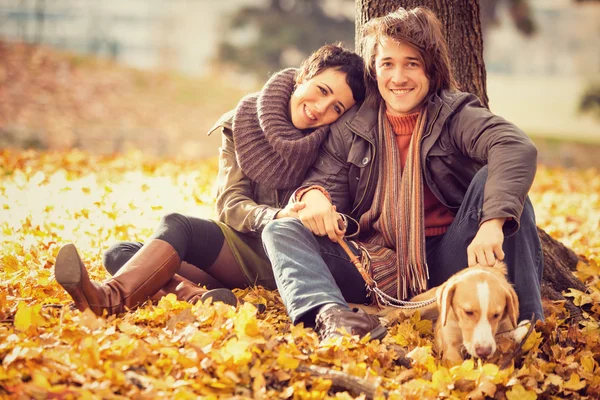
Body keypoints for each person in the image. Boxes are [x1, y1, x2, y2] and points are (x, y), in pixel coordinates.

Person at [262, 7, 544, 342]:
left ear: (430, 68)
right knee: (281, 230)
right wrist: (314, 197)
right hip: (377, 261)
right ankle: (331, 317)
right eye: (387, 64)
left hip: (454, 253)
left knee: (501, 189)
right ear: (375, 70)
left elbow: (515, 147)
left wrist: (492, 223)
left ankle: (526, 326)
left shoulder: (455, 113)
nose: (398, 77)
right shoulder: (351, 126)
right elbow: (327, 186)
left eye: (411, 63)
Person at [54, 44, 366, 316]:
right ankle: (202, 299)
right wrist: (273, 215)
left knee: (179, 226)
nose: (321, 109)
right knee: (121, 253)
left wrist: (286, 220)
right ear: (303, 75)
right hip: (241, 246)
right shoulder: (243, 122)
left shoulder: (333, 141)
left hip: (292, 257)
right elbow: (230, 204)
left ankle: (108, 299)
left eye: (336, 108)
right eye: (322, 91)